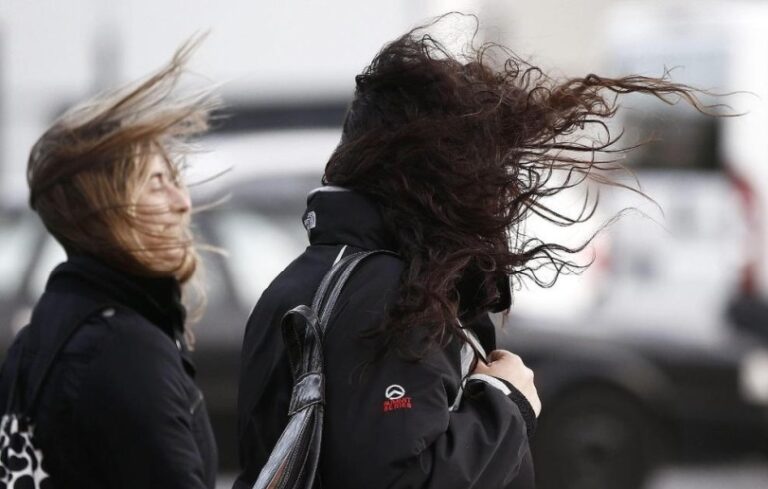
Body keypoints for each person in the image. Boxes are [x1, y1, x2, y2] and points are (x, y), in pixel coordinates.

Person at [234, 16, 707, 489]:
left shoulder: (304, 279)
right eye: (484, 167)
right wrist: (505, 401)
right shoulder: (385, 292)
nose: (498, 190)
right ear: (438, 175)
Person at [0, 40, 218, 488]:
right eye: (157, 184)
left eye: (175, 182)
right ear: (109, 208)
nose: (182, 203)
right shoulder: (126, 350)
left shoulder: (40, 336)